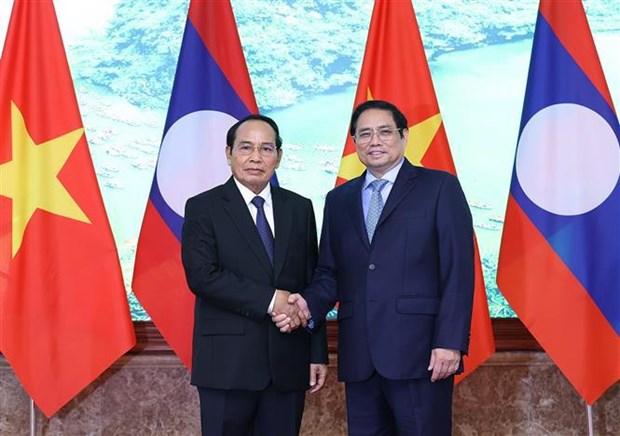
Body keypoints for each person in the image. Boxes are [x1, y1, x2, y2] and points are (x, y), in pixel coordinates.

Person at [274, 100, 474, 435]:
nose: (374, 141)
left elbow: (458, 271)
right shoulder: (339, 200)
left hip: (421, 354)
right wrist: (306, 305)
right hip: (360, 356)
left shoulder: (439, 187)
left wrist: (449, 341)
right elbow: (330, 272)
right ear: (354, 143)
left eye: (384, 131)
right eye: (364, 134)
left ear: (404, 136)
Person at [182, 114, 328, 436]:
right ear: (229, 153)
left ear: (279, 155)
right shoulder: (202, 207)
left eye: (266, 149)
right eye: (246, 147)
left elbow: (311, 282)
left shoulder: (300, 208)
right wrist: (271, 299)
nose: (256, 157)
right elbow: (202, 276)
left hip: (288, 362)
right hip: (226, 365)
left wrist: (317, 353)